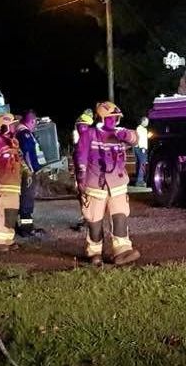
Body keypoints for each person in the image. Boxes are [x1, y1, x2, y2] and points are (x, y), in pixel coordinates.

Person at [74, 101, 140, 266]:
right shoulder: (89, 134)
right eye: (112, 118)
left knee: (120, 218)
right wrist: (81, 179)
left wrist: (127, 136)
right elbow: (80, 158)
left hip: (118, 186)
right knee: (94, 221)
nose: (115, 121)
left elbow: (134, 138)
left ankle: (122, 251)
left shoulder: (120, 134)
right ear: (102, 119)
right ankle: (94, 252)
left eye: (116, 118)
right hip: (96, 186)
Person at [0, 113, 24, 252]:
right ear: (4, 127)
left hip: (13, 183)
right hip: (3, 183)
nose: (15, 127)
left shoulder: (12, 141)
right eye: (12, 125)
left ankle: (8, 239)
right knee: (2, 212)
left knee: (11, 213)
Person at [15, 110, 47, 238]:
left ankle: (22, 226)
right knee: (27, 200)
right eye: (35, 122)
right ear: (32, 121)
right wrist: (30, 169)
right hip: (27, 172)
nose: (35, 125)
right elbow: (27, 152)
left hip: (26, 171)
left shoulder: (22, 132)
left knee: (25, 199)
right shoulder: (25, 133)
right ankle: (26, 229)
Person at [133, 116, 149, 187]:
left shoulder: (142, 129)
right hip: (141, 148)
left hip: (139, 148)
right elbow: (140, 139)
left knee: (139, 164)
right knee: (142, 164)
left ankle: (138, 179)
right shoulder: (140, 129)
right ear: (143, 121)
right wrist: (142, 147)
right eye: (146, 121)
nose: (147, 123)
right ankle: (140, 181)